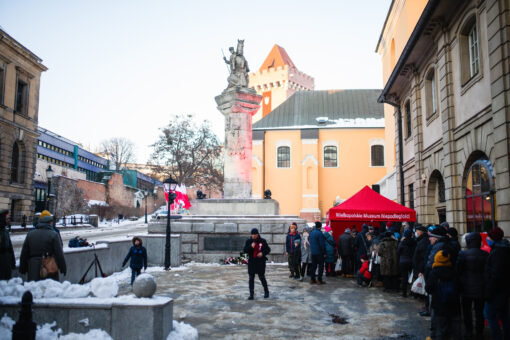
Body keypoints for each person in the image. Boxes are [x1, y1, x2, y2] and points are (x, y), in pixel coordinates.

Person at [455, 232, 487, 340]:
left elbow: (457, 270)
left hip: (466, 287)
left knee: (467, 311)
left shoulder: (463, 254)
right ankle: (479, 332)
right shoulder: (485, 254)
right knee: (479, 312)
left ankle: (469, 331)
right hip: (481, 287)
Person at [19, 211, 66, 281]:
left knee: (34, 288)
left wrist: (23, 267)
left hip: (33, 266)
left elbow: (24, 253)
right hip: (49, 265)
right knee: (49, 287)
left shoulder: (30, 234)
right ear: (50, 222)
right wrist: (63, 267)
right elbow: (59, 253)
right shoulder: (54, 234)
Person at [425, 250, 462, 340]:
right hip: (454, 304)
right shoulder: (454, 271)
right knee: (455, 328)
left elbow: (429, 288)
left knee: (439, 328)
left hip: (439, 304)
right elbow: (459, 286)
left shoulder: (434, 272)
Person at [483, 226, 510, 340]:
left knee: (489, 314)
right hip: (504, 289)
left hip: (497, 291)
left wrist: (489, 292)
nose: (487, 239)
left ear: (494, 238)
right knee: (504, 316)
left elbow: (495, 275)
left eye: (489, 237)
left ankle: (498, 337)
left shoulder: (498, 252)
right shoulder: (504, 248)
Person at [243, 228, 270, 299]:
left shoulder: (262, 241)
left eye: (255, 234)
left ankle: (266, 292)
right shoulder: (248, 241)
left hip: (260, 262)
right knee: (251, 278)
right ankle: (251, 294)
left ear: (258, 234)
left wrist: (262, 253)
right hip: (252, 262)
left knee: (262, 277)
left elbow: (268, 249)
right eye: (252, 234)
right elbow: (245, 250)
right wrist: (251, 247)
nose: (253, 236)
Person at [398, 229, 416, 297]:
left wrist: (401, 242)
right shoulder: (414, 242)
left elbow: (399, 251)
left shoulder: (402, 242)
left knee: (404, 277)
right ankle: (412, 291)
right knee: (412, 277)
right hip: (411, 261)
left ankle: (404, 292)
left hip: (403, 261)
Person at [0, 209, 15, 280]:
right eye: (7, 218)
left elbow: (10, 248)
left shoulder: (5, 231)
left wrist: (12, 261)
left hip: (6, 261)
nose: (9, 220)